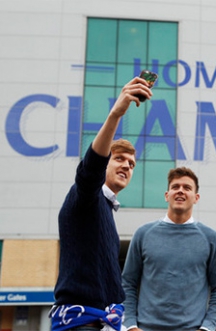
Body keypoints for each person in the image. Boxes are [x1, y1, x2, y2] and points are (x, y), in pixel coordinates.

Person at [49, 77, 153, 331]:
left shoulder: (106, 208)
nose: (127, 166)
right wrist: (115, 115)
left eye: (132, 164)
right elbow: (90, 170)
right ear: (106, 160)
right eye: (119, 159)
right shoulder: (86, 196)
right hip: (79, 324)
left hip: (105, 323)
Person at [122, 166, 216, 331]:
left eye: (187, 188)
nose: (180, 191)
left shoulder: (210, 238)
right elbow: (127, 282)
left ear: (196, 197)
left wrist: (207, 327)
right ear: (167, 195)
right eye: (175, 187)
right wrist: (130, 325)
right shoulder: (143, 234)